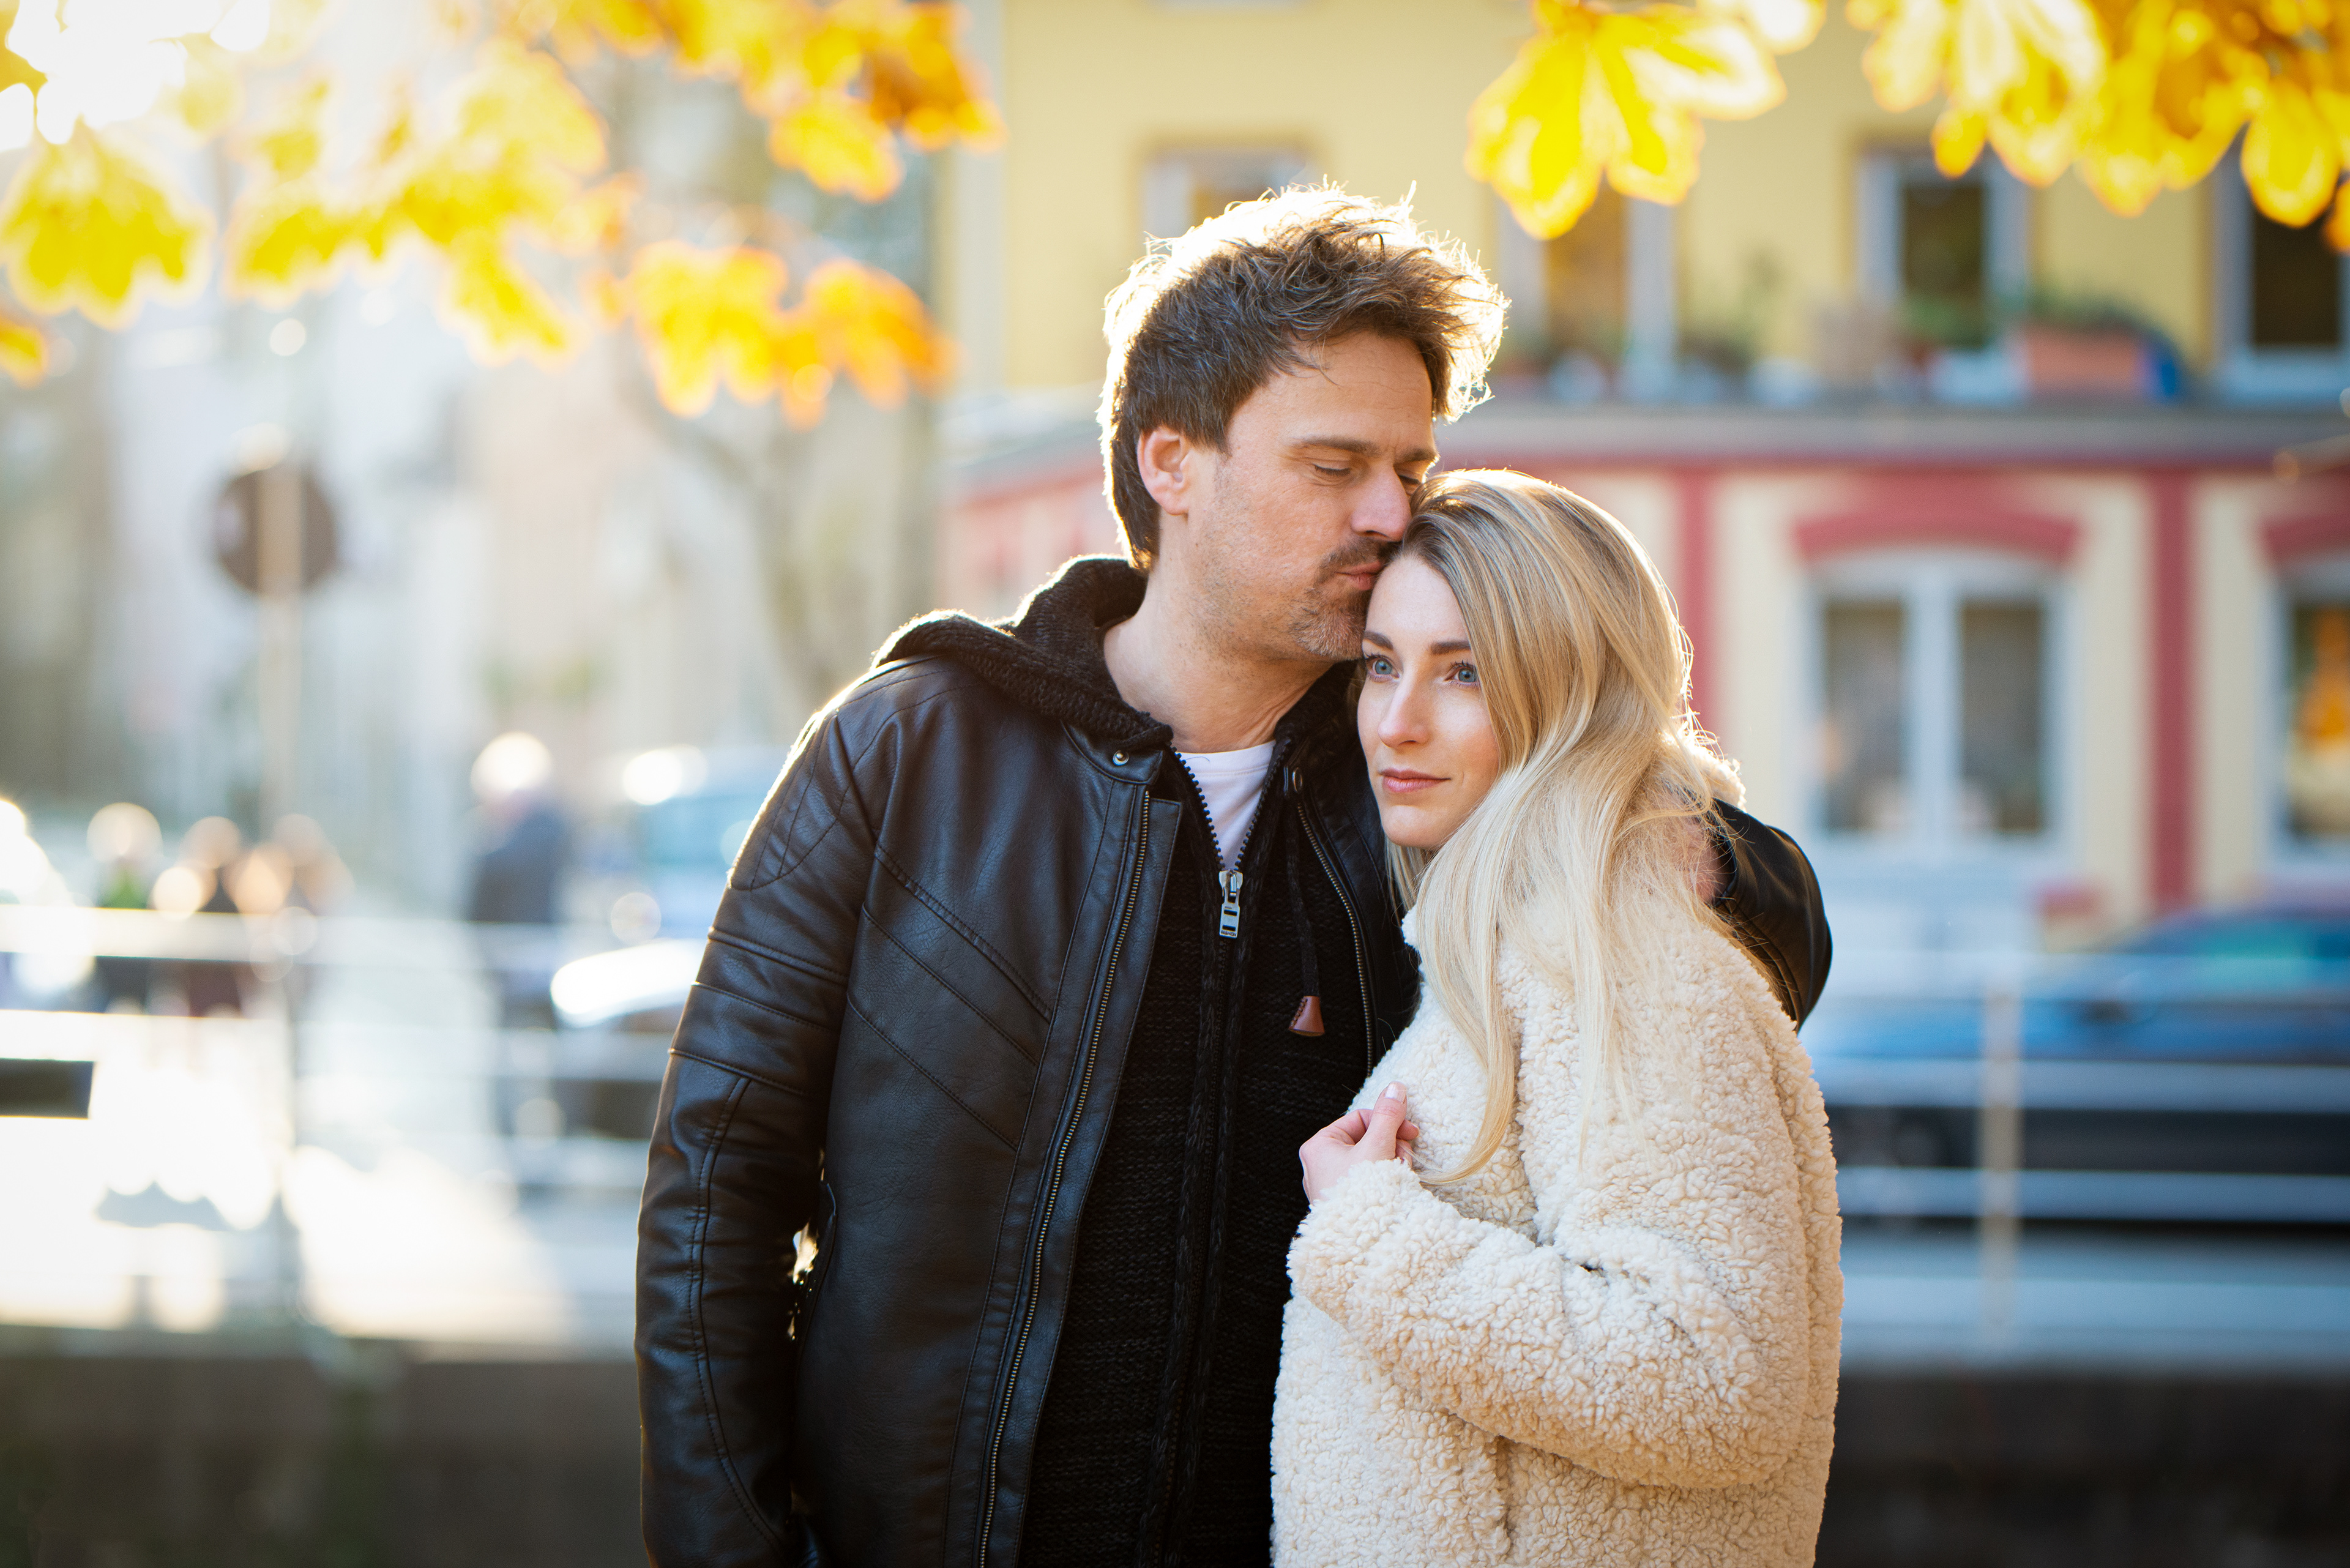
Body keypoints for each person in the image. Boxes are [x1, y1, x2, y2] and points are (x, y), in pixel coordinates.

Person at [635, 188, 1832, 1567]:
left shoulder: (1427, 777)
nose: (1389, 515)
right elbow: (716, 1191)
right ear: (1171, 463)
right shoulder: (909, 753)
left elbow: (1770, 931)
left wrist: (1653, 837)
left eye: (1412, 469)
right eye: (1334, 466)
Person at [1273, 472, 1842, 1567]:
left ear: (1568, 694)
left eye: (1465, 672)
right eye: (1382, 663)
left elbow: (1712, 1381)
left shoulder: (1622, 961)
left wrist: (1371, 1232)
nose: (1396, 721)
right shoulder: (1518, 948)